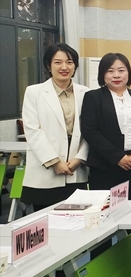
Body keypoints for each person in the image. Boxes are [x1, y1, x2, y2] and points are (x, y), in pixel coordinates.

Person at [22, 43, 89, 211]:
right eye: (58, 62)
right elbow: (32, 131)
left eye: (69, 62)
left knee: (76, 221)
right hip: (45, 170)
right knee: (45, 221)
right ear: (48, 66)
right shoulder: (34, 92)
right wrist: (54, 162)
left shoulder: (86, 93)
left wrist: (79, 159)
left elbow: (91, 130)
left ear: (75, 66)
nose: (64, 67)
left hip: (75, 169)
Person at [81, 53, 131, 200]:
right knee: (105, 208)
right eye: (110, 71)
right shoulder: (92, 97)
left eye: (121, 70)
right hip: (105, 166)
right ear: (102, 74)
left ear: (128, 72)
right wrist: (118, 157)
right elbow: (90, 131)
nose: (116, 75)